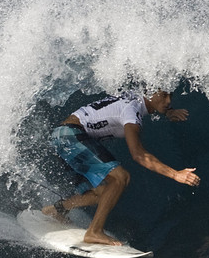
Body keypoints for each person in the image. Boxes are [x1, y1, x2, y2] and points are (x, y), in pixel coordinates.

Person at [41, 90, 199, 246]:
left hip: (62, 137)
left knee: (103, 194)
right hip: (71, 136)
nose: (169, 101)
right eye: (164, 96)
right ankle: (94, 231)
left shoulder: (134, 97)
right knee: (120, 177)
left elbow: (147, 103)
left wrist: (168, 111)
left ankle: (57, 209)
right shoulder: (131, 112)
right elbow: (138, 155)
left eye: (171, 96)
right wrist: (176, 174)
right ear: (150, 92)